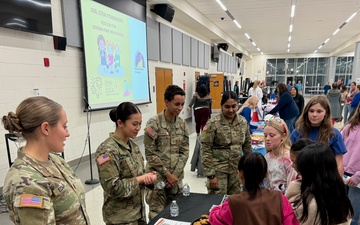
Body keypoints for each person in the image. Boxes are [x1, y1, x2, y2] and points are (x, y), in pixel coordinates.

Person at [2, 96, 91, 225]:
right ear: (46, 128)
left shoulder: (55, 160)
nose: (68, 133)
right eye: (64, 126)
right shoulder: (27, 183)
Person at [95, 102, 157, 225]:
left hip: (138, 214)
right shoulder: (106, 151)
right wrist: (140, 179)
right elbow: (113, 188)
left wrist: (148, 179)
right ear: (120, 123)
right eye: (134, 124)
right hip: (121, 219)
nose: (138, 128)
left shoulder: (133, 146)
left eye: (140, 123)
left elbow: (139, 175)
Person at [209, 152, 299, 225]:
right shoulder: (279, 198)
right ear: (266, 173)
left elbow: (215, 219)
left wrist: (215, 209)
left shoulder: (233, 202)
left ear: (240, 175)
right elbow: (291, 221)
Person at [144, 85, 189, 220]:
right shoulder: (154, 124)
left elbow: (185, 151)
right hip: (157, 177)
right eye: (177, 104)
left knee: (176, 212)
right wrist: (167, 175)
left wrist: (173, 176)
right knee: (156, 213)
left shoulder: (182, 124)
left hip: (175, 179)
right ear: (166, 101)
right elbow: (150, 154)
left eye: (182, 104)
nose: (180, 108)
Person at [285, 143, 353, 225]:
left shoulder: (310, 205)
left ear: (310, 171)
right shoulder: (339, 195)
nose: (293, 166)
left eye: (299, 165)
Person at [201, 91, 252, 195]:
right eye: (227, 107)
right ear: (221, 106)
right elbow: (206, 150)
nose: (231, 110)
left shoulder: (243, 122)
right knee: (217, 204)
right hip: (218, 172)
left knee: (235, 203)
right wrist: (211, 175)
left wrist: (247, 169)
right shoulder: (213, 123)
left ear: (238, 105)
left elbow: (247, 146)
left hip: (236, 172)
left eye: (234, 106)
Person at [290, 95, 347, 176]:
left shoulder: (334, 134)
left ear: (326, 113)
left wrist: (338, 184)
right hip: (302, 178)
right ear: (306, 112)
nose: (314, 115)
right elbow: (291, 158)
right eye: (311, 111)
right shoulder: (297, 132)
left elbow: (339, 164)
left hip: (325, 179)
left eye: (319, 111)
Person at [263, 118, 297, 193]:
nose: (267, 139)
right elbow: (267, 183)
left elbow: (292, 185)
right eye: (265, 135)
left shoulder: (288, 159)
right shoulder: (267, 157)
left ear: (283, 136)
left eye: (272, 135)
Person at [341, 105, 360, 225]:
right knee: (338, 211)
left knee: (353, 215)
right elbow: (336, 149)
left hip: (357, 180)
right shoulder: (348, 128)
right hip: (341, 174)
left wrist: (358, 176)